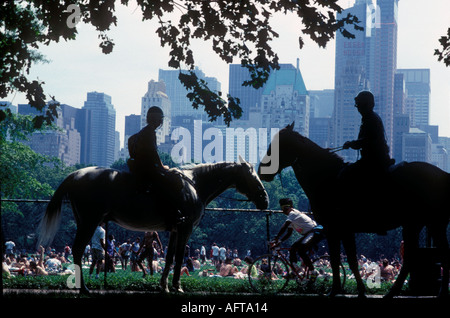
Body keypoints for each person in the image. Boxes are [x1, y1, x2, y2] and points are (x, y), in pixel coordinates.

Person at [127, 106, 185, 225]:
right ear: (156, 119)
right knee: (173, 182)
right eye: (160, 119)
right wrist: (162, 167)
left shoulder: (141, 133)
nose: (161, 122)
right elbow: (153, 153)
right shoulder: (150, 133)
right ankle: (173, 214)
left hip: (139, 168)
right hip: (147, 170)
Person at [271, 198, 324, 275]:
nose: (284, 210)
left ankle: (313, 271)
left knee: (301, 250)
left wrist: (276, 237)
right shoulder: (291, 218)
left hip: (314, 232)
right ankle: (295, 271)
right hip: (308, 234)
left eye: (286, 207)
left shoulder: (293, 213)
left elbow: (284, 227)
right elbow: (289, 233)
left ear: (291, 207)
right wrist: (280, 241)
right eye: (282, 208)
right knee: (292, 248)